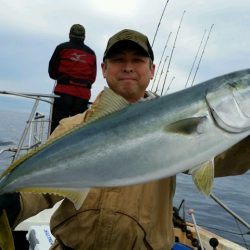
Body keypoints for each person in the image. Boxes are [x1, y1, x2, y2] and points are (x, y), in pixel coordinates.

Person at [0, 29, 250, 250]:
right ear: (104, 69)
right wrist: (14, 202)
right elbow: (43, 189)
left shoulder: (199, 134)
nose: (128, 67)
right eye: (118, 60)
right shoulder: (73, 126)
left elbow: (227, 159)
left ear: (151, 70)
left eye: (138, 60)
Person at [48, 24, 97, 133]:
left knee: (58, 127)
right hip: (82, 96)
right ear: (84, 37)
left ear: (70, 35)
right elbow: (92, 78)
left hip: (63, 94)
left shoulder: (62, 48)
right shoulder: (91, 53)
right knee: (77, 129)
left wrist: (63, 77)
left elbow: (52, 72)